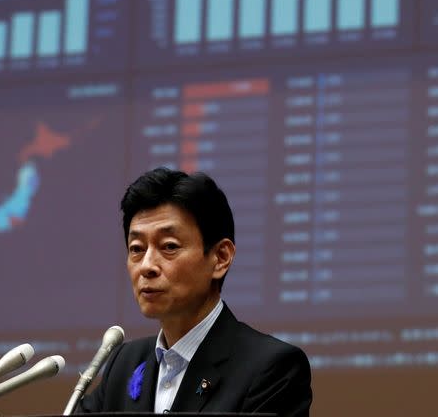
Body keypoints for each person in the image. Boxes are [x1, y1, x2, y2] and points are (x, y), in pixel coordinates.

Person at [77, 167, 312, 415]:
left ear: (220, 258)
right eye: (137, 248)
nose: (146, 266)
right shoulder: (124, 363)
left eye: (169, 246)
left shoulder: (272, 368)